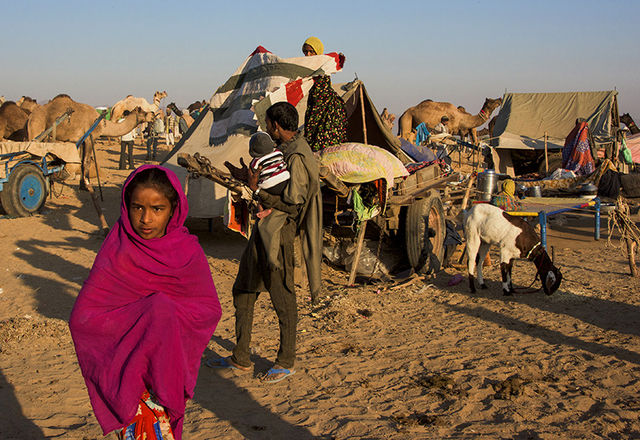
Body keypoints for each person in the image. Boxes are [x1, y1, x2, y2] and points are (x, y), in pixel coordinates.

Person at [69, 165, 221, 440]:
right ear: (126, 206)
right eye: (138, 207)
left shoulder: (187, 253)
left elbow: (208, 310)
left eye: (157, 209)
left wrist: (163, 316)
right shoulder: (118, 248)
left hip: (165, 377)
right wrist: (147, 316)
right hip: (127, 380)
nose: (146, 219)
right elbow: (84, 317)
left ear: (173, 208)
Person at [214, 102, 322, 383]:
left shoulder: (297, 155)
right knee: (244, 290)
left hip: (280, 234)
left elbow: (294, 205)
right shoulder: (282, 152)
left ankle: (286, 360)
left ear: (275, 126)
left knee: (282, 296)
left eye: (269, 124)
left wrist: (255, 190)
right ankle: (240, 357)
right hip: (265, 231)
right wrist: (248, 181)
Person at [248, 131, 294, 270]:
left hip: (269, 186)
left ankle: (263, 209)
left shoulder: (256, 161)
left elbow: (253, 173)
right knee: (276, 198)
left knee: (259, 194)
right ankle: (269, 209)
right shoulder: (279, 153)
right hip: (285, 180)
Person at [301, 36, 347, 151]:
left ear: (317, 52)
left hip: (328, 110)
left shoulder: (323, 66)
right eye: (305, 52)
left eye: (311, 51)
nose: (308, 55)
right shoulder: (306, 70)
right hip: (315, 108)